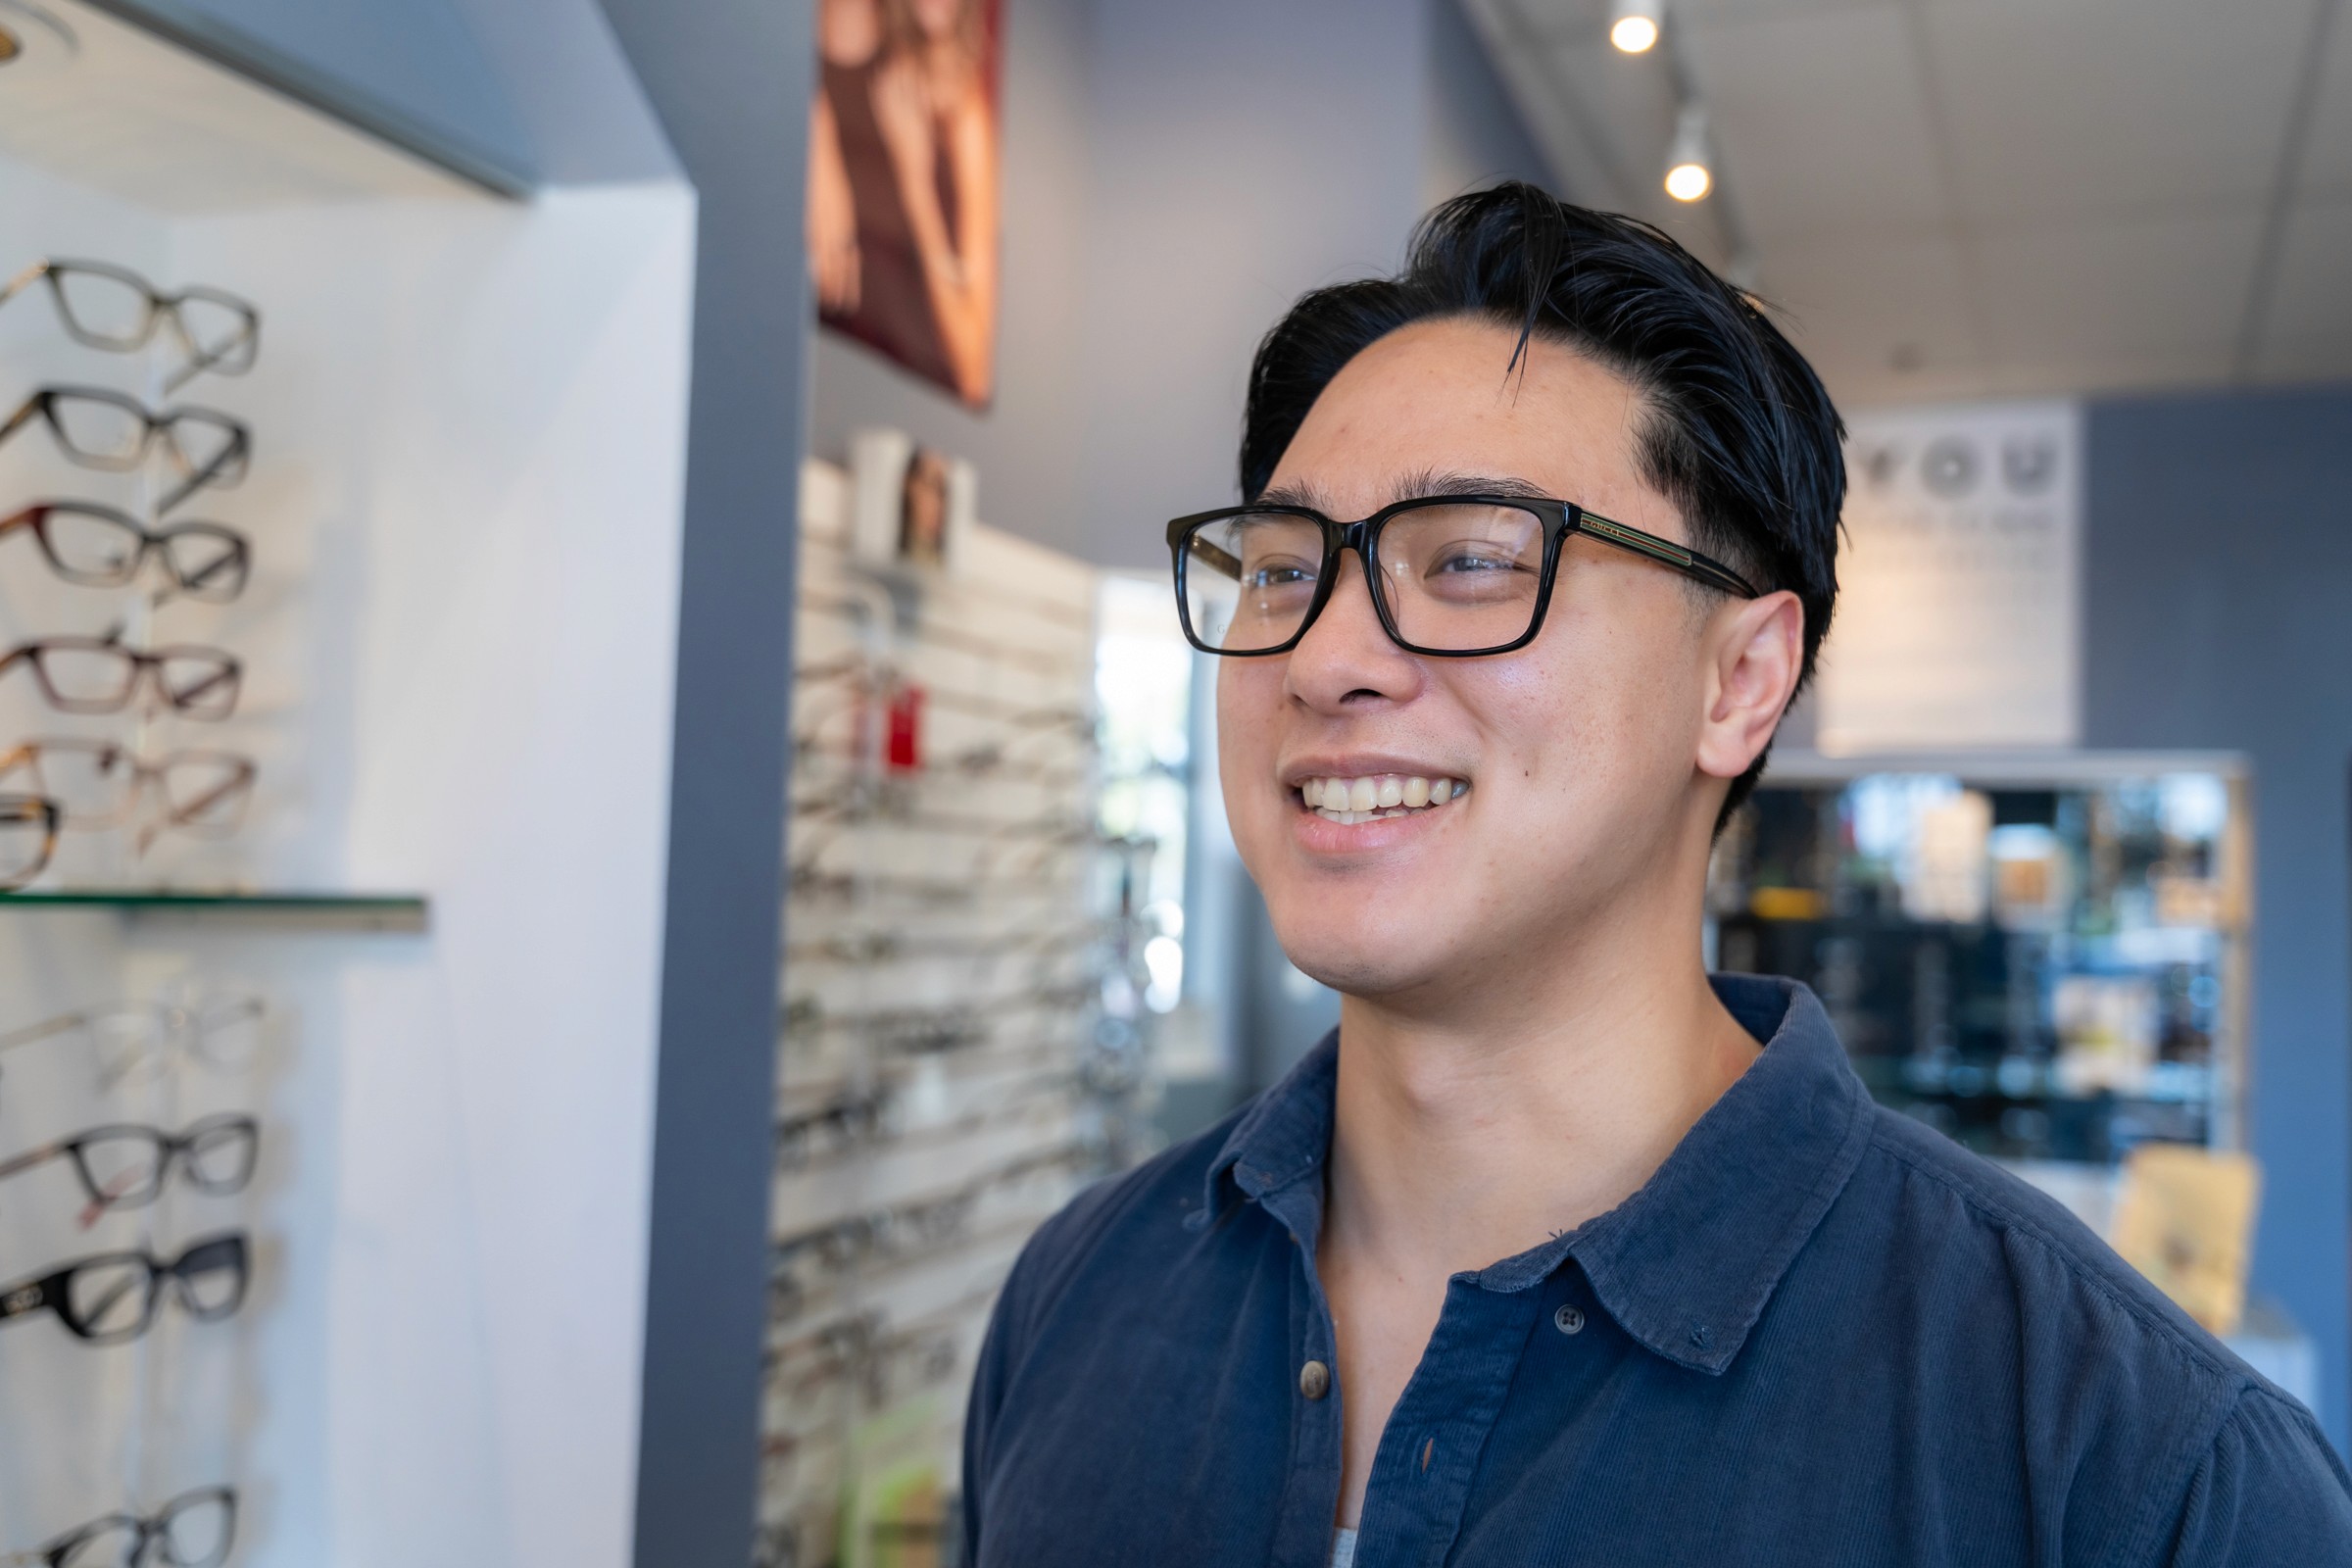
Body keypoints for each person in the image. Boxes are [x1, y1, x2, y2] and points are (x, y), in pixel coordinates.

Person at [956, 183, 2352, 1565]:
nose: (1324, 658)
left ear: (1743, 682)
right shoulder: (1077, 1298)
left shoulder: (2132, 1469)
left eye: (1472, 561)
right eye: (1278, 571)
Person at [808, 0, 999, 407]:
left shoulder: (956, 105)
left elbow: (972, 371)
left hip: (913, 402)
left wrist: (916, 182)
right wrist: (811, 119)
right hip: (822, 365)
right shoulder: (830, 62)